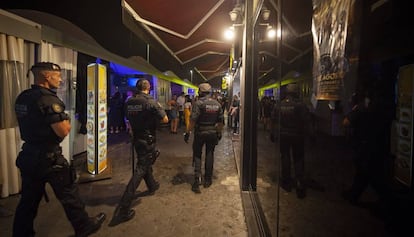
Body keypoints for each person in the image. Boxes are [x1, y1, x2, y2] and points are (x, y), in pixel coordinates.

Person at [13, 62, 106, 237]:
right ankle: (84, 226)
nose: (61, 79)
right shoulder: (48, 99)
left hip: (28, 155)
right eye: (58, 75)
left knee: (28, 202)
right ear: (47, 76)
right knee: (69, 196)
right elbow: (62, 130)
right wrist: (67, 122)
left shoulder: (23, 97)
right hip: (49, 159)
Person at [109, 79, 168, 226]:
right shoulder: (150, 101)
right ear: (149, 88)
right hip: (148, 138)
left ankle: (152, 185)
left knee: (144, 161)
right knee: (141, 168)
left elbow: (127, 119)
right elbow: (165, 119)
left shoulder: (129, 101)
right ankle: (124, 208)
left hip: (136, 137)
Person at [271, 83, 310, 199]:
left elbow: (274, 120)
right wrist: (311, 136)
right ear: (296, 92)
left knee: (285, 157)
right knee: (298, 158)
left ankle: (286, 182)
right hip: (297, 135)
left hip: (283, 135)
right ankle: (299, 182)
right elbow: (306, 121)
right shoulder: (300, 105)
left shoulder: (279, 105)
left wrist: (273, 134)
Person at [183, 83, 224, 193]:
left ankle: (197, 179)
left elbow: (192, 120)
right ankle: (208, 180)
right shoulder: (217, 104)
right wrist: (219, 133)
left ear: (200, 92)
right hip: (212, 132)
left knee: (197, 154)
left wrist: (187, 132)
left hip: (200, 132)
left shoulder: (198, 103)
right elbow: (221, 121)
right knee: (210, 154)